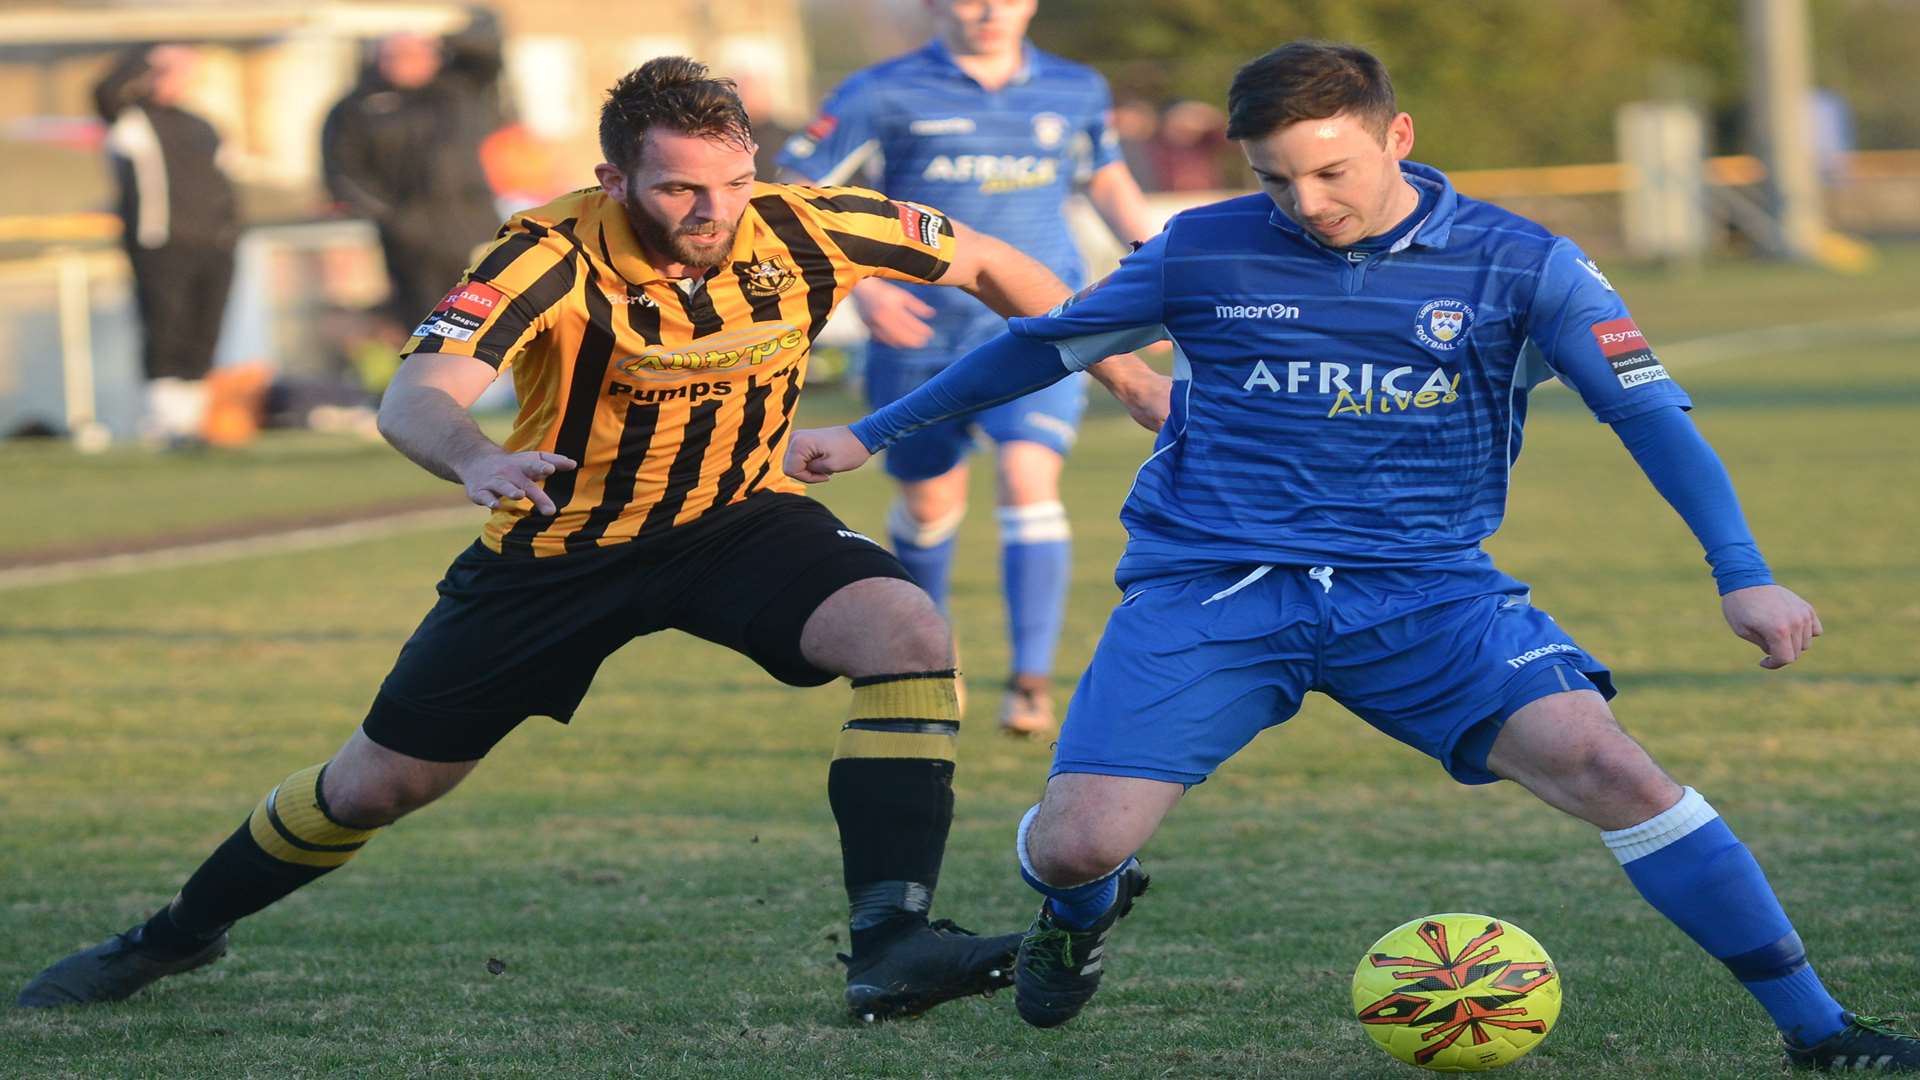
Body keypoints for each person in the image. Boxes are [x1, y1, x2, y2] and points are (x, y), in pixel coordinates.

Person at [781, 40, 1920, 1070]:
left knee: (1620, 771)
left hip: (1425, 593)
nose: (1305, 202)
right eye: (1276, 178)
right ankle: (1077, 921)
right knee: (1076, 848)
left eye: (1331, 173)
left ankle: (1817, 1031)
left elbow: (1651, 417)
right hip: (1213, 586)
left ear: (1396, 137)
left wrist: (1742, 571)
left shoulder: (1523, 263)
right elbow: (1041, 344)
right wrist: (870, 433)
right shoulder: (1203, 249)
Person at [16, 56, 1165, 1024]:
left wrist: (1123, 372)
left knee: (906, 628)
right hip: (560, 549)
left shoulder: (809, 226)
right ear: (613, 176)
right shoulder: (544, 254)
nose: (711, 211)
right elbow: (414, 392)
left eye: (731, 180)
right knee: (379, 785)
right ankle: (174, 935)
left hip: (732, 522)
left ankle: (890, 943)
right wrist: (476, 457)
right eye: (675, 190)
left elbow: (1001, 266)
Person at [776, 0, 1163, 737]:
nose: (987, 10)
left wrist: (1168, 273)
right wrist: (870, 287)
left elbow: (1108, 182)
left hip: (1050, 330)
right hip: (921, 338)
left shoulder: (1077, 87)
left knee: (1028, 477)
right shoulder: (877, 90)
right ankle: (929, 661)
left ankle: (1030, 684)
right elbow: (795, 194)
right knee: (928, 505)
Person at [92, 44, 240, 447]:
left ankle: (191, 421)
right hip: (161, 243)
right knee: (164, 326)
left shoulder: (202, 124)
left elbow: (224, 183)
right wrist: (146, 57)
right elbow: (104, 91)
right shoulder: (132, 119)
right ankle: (164, 420)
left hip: (214, 243)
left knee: (203, 330)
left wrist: (229, 233)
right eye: (165, 72)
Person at [322, 29, 503, 333]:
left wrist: (443, 37)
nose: (406, 63)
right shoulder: (356, 108)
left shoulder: (459, 89)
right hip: (411, 242)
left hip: (474, 226)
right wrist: (394, 219)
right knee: (428, 326)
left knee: (490, 321)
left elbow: (489, 52)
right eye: (396, 55)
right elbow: (343, 174)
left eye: (415, 54)